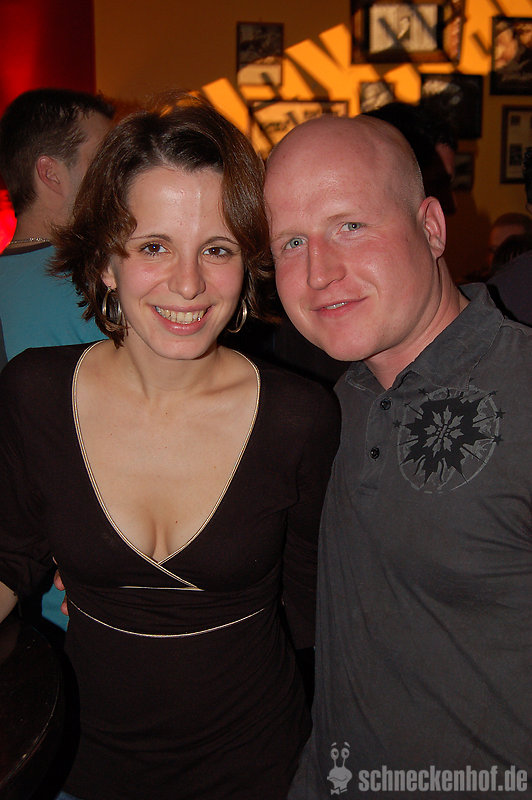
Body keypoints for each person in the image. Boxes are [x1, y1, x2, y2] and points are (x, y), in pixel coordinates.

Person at [0, 97, 340, 800]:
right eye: (154, 246)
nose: (188, 284)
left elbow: (313, 609)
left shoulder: (299, 417)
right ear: (105, 262)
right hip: (80, 766)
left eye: (217, 249)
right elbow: (10, 554)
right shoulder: (36, 393)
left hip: (260, 769)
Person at [264, 114, 532, 798]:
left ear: (431, 227)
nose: (319, 272)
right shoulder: (338, 404)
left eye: (350, 225)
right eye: (292, 241)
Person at [0, 88, 114, 635]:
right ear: (51, 173)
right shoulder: (102, 280)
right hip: (105, 596)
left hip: (33, 602)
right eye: (103, 160)